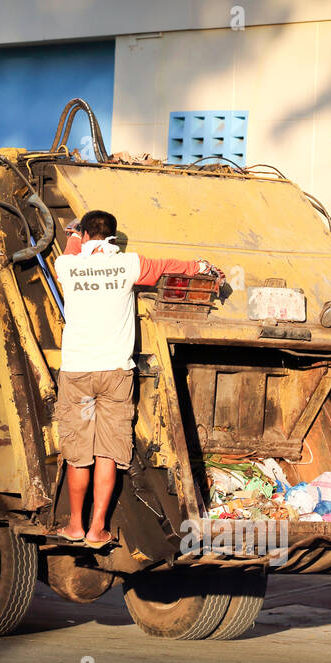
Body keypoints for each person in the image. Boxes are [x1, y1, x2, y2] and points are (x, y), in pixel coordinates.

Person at [52, 210, 222, 547]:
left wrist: (73, 231)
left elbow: (72, 249)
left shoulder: (67, 266)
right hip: (115, 373)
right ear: (114, 237)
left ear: (86, 235)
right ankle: (97, 529)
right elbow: (168, 266)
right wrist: (202, 266)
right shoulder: (130, 265)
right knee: (108, 453)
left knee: (78, 453)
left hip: (77, 373)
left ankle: (75, 525)